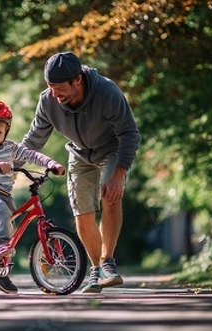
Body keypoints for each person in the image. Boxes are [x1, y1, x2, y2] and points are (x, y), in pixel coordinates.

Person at [17, 52, 142, 293]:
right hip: (79, 153)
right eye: (50, 87)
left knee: (110, 195)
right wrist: (11, 164)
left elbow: (129, 134)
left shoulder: (106, 92)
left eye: (59, 87)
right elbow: (34, 139)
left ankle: (108, 263)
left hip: (111, 149)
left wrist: (118, 174)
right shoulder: (48, 101)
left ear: (77, 80)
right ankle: (96, 271)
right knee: (82, 211)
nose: (54, 94)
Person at [0, 99, 65, 294]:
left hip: (4, 193)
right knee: (2, 214)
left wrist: (51, 164)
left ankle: (0, 271)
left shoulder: (11, 148)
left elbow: (31, 155)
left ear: (7, 129)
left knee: (9, 225)